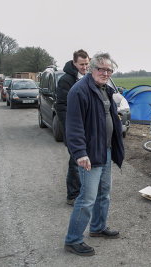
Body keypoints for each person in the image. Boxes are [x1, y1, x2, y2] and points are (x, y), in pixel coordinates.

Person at [64, 52, 124, 256]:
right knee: (87, 198)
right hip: (90, 154)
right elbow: (73, 126)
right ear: (91, 69)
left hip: (104, 151)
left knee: (103, 193)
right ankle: (73, 240)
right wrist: (80, 153)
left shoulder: (105, 89)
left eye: (109, 70)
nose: (105, 73)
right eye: (102, 69)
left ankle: (98, 227)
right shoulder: (79, 91)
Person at [56, 49, 90, 206]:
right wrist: (68, 129)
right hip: (73, 128)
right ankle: (72, 195)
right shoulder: (66, 80)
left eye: (87, 64)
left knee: (85, 160)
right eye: (82, 64)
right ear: (74, 63)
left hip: (86, 127)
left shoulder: (88, 77)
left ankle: (84, 191)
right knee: (75, 161)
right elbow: (61, 107)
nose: (85, 67)